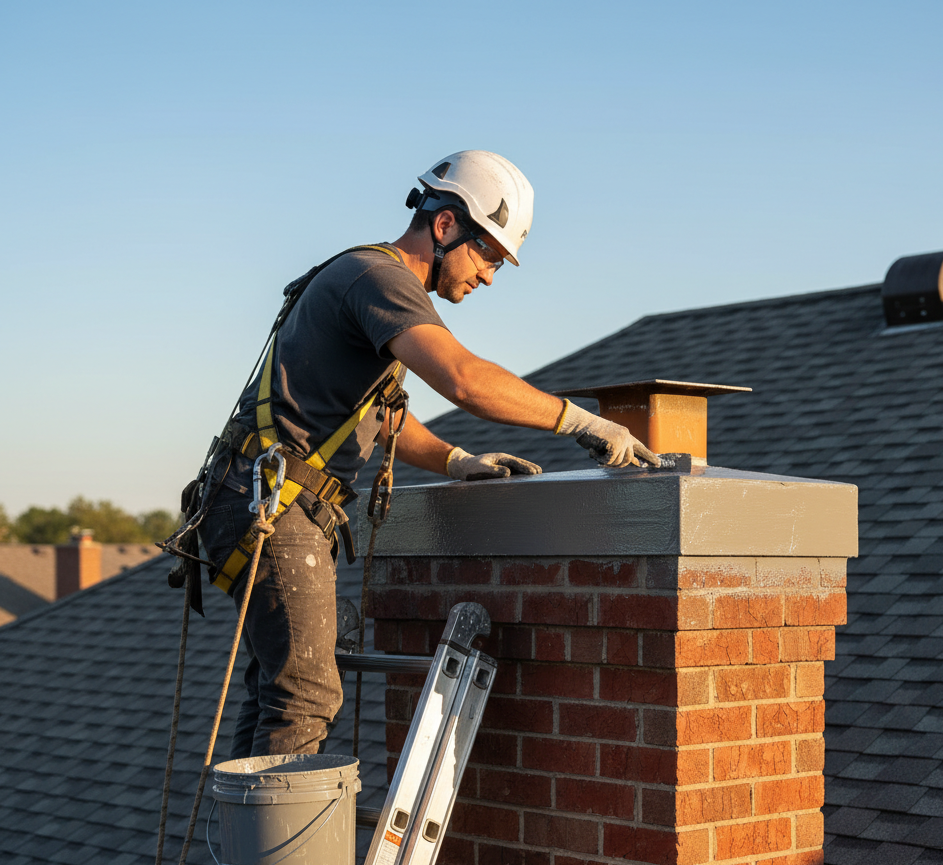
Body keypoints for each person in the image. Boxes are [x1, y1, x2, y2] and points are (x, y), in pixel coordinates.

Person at [197, 149, 660, 763]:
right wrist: (579, 419)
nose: (490, 276)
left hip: (264, 496)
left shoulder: (372, 287)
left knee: (277, 691)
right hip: (275, 505)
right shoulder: (380, 279)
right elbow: (464, 379)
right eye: (489, 255)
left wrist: (455, 461)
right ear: (445, 226)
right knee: (306, 695)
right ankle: (277, 860)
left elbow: (380, 419)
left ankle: (245, 852)